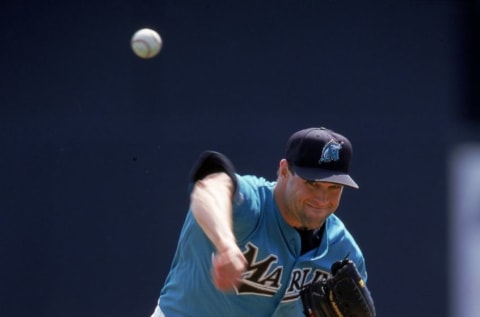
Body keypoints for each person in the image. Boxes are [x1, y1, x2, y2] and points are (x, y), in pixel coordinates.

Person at [150, 127, 370, 317]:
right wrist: (226, 245)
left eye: (334, 188)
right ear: (284, 171)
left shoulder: (343, 252)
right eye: (312, 183)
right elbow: (209, 188)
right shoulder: (251, 205)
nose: (322, 198)